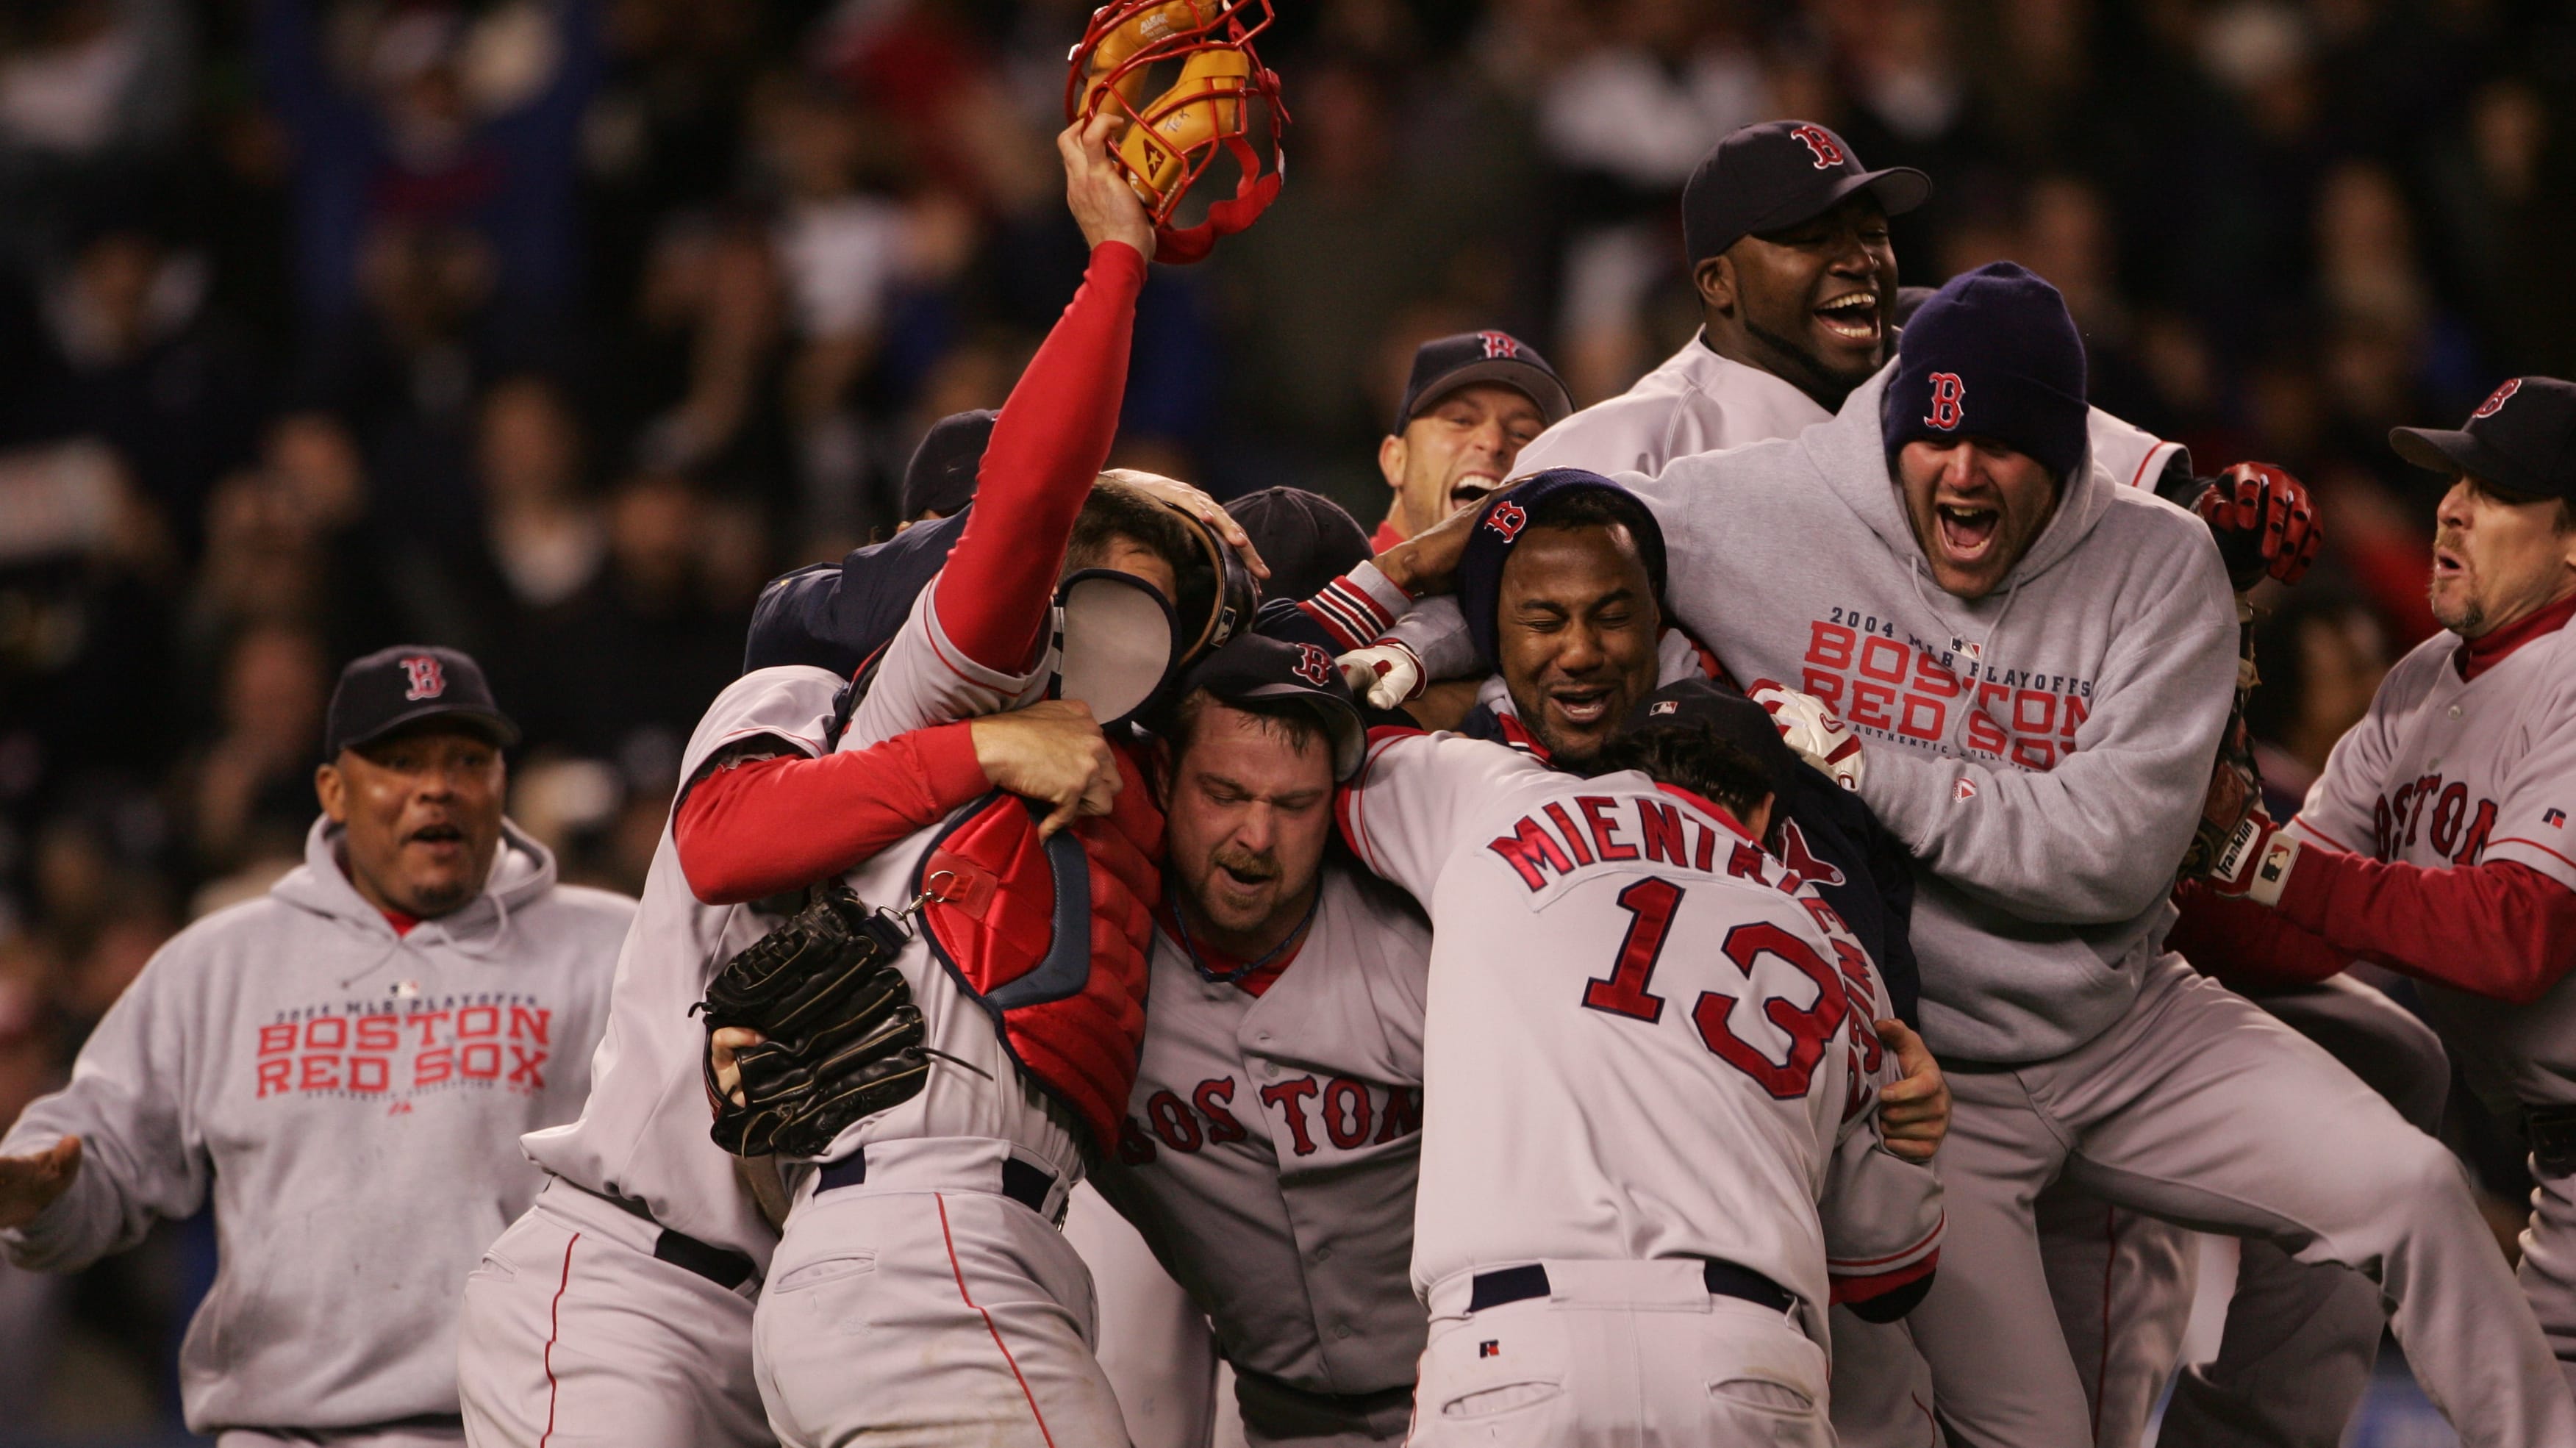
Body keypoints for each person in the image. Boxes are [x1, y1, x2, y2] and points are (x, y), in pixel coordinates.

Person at [0, 646, 632, 1448]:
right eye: (400, 761)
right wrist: (39, 1196)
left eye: (468, 760)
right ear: (334, 790)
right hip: (283, 1428)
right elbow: (104, 1146)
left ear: (500, 781)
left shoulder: (609, 948)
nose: (437, 785)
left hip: (523, 1425)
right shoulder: (225, 962)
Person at [1337, 676, 1943, 1445]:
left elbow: (1344, 755)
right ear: (1764, 813)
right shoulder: (1833, 947)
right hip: (1743, 1355)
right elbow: (1888, 1275)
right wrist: (1914, 1130)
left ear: (1615, 766)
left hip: (1513, 1344)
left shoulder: (1504, 796)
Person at [2178, 376, 2576, 1395]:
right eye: (2454, 478)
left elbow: (2518, 935)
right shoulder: (2417, 682)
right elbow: (2296, 929)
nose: (2450, 505)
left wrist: (2261, 861)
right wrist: (2163, 874)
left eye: (2495, 489)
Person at [1370, 330, 1572, 551]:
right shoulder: (1333, 579)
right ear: (1396, 460)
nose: (1493, 443)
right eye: (1461, 420)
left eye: (1521, 434)